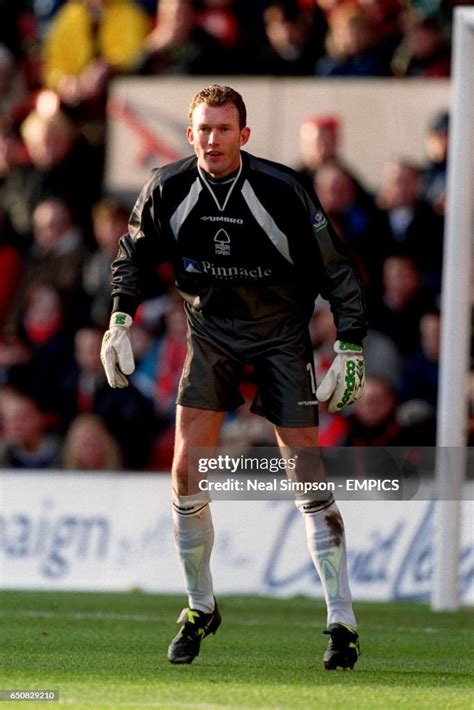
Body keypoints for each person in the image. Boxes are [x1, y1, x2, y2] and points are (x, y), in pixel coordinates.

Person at [100, 84, 367, 669]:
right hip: (211, 334)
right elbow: (132, 254)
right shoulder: (167, 187)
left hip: (280, 336)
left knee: (306, 474)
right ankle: (199, 606)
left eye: (224, 129)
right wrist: (120, 316)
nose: (213, 139)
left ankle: (341, 621)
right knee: (183, 472)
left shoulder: (283, 189)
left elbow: (338, 270)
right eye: (203, 128)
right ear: (189, 132)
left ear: (244, 136)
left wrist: (348, 344)